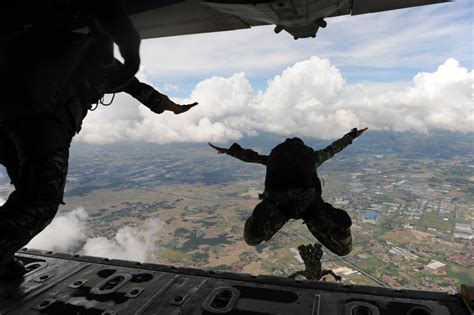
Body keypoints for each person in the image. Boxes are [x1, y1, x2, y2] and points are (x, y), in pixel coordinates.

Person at [0, 1, 197, 277]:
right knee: (39, 203)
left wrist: (169, 105)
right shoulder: (94, 57)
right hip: (42, 122)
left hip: (8, 119)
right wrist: (170, 106)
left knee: (26, 193)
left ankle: (5, 258)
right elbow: (136, 87)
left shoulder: (35, 47)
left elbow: (136, 88)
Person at [209, 128, 367, 257]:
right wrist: (351, 136)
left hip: (279, 203)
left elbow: (251, 157)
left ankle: (265, 209)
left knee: (251, 239)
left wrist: (229, 151)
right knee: (344, 249)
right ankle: (337, 226)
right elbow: (333, 149)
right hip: (309, 204)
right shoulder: (312, 157)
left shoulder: (274, 158)